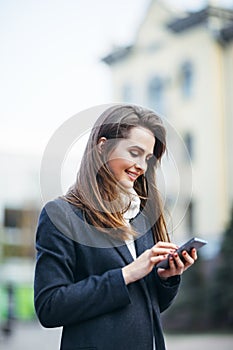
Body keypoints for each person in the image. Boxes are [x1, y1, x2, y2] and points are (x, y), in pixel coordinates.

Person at [34, 104, 197, 350]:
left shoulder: (142, 217)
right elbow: (50, 306)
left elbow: (149, 306)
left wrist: (167, 277)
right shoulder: (62, 215)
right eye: (134, 152)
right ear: (103, 147)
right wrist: (127, 274)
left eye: (147, 158)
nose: (141, 166)